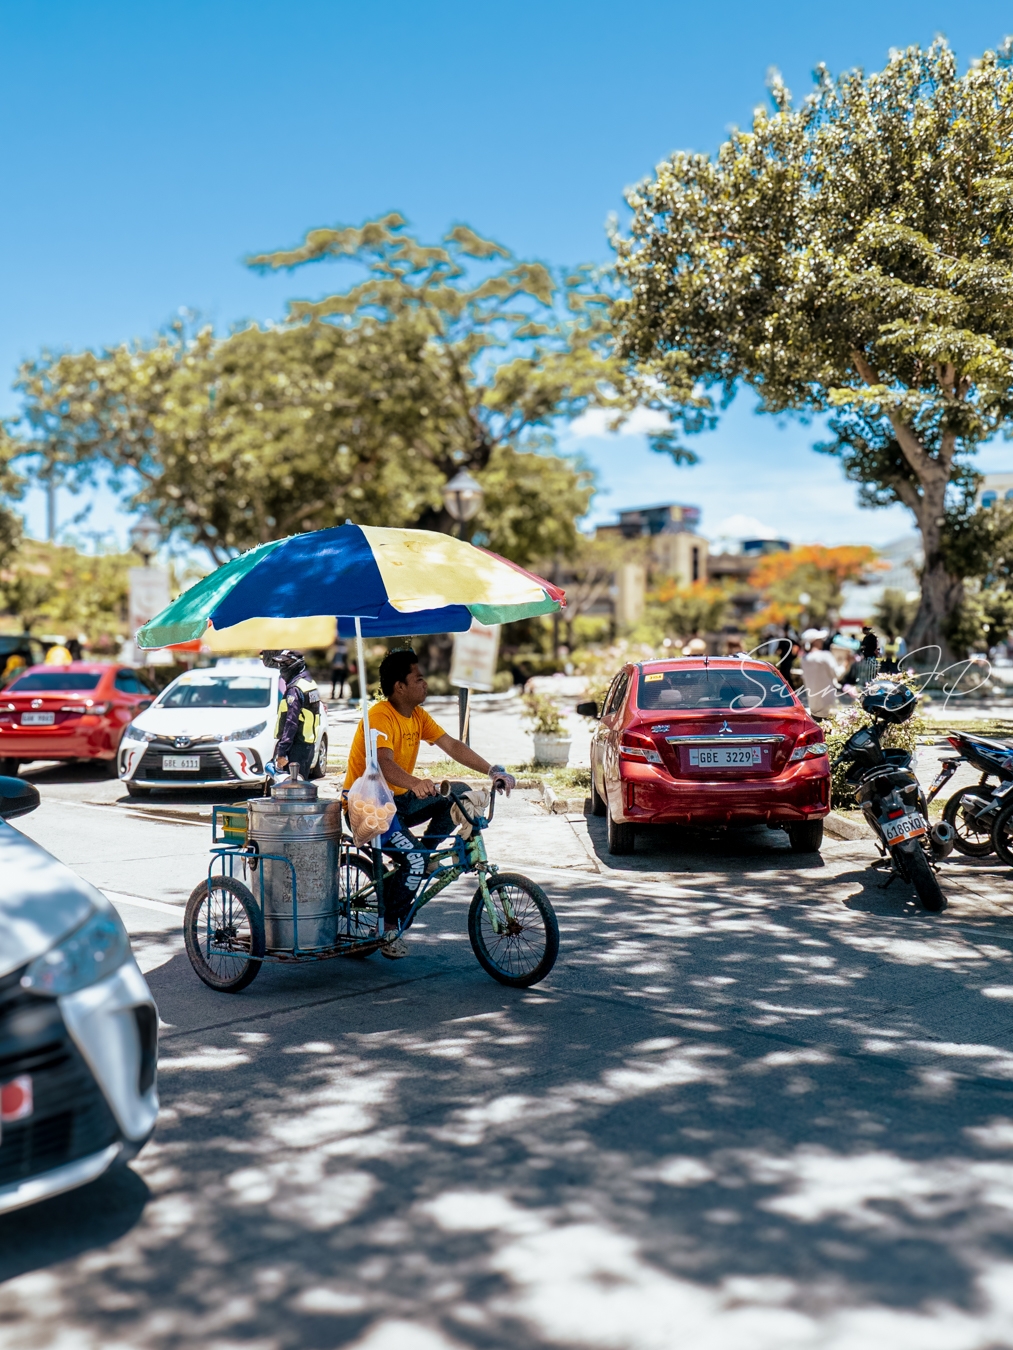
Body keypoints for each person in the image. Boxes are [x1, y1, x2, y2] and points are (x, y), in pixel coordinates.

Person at [343, 647, 516, 960]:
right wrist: (415, 783)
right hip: (367, 808)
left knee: (458, 792)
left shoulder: (417, 715)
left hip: (397, 803)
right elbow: (383, 762)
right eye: (418, 679)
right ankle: (388, 927)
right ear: (400, 687)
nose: (425, 684)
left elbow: (451, 744)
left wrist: (493, 770)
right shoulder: (379, 716)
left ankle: (422, 856)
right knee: (417, 862)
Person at [260, 649, 322, 781]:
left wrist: (282, 752)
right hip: (307, 745)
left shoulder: (295, 689)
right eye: (281, 664)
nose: (282, 668)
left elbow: (291, 722)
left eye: (286, 663)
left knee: (291, 788)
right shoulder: (309, 683)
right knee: (300, 784)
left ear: (297, 664)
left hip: (295, 747)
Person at [800, 635, 839, 719]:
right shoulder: (825, 656)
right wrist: (847, 663)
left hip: (814, 707)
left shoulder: (804, 659)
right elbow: (837, 674)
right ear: (815, 642)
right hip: (828, 707)